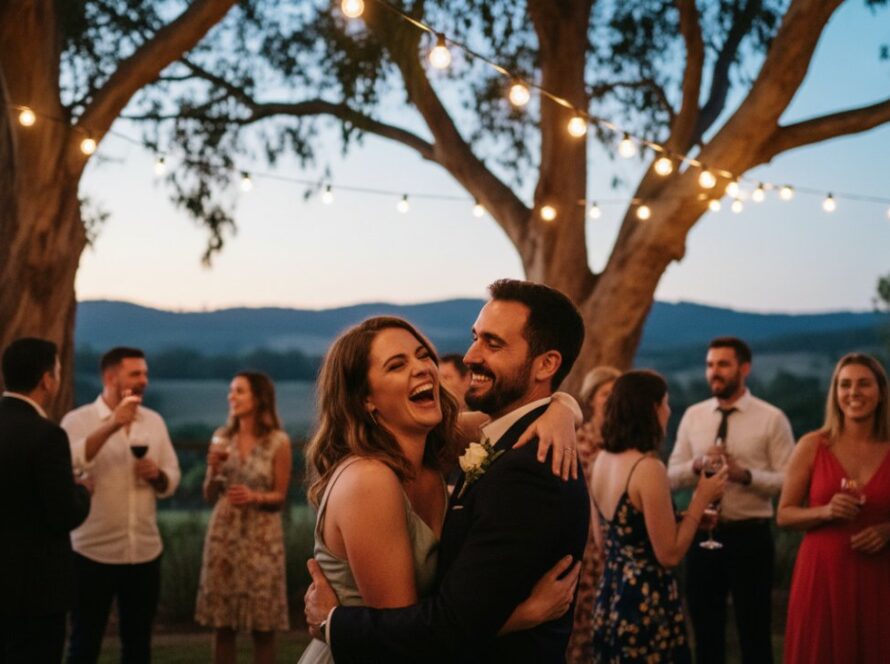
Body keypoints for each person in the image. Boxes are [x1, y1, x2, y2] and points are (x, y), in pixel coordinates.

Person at [304, 279, 591, 663]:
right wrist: (519, 617)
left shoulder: (444, 445)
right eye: (397, 365)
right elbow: (406, 638)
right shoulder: (369, 479)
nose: (424, 369)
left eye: (423, 355)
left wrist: (563, 408)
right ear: (366, 400)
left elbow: (526, 412)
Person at [667, 336, 794, 664]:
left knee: (754, 633)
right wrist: (696, 465)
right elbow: (671, 474)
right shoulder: (694, 416)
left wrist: (744, 474)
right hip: (702, 535)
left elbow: (788, 482)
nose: (714, 372)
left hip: (750, 537)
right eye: (710, 365)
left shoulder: (771, 418)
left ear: (744, 368)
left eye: (723, 364)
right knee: (706, 635)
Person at [590, 370, 726, 663]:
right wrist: (701, 497)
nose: (669, 410)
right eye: (665, 402)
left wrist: (684, 517)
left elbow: (607, 540)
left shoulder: (601, 460)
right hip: (646, 603)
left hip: (611, 595)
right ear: (652, 409)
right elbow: (670, 555)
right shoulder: (648, 468)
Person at [62, 347, 181, 664]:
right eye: (135, 374)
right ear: (110, 376)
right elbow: (70, 460)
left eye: (145, 373)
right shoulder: (78, 419)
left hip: (143, 552)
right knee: (84, 644)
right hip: (91, 553)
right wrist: (113, 424)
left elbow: (173, 475)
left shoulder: (153, 421)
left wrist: (158, 476)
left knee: (138, 646)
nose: (144, 380)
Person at [778, 353, 890, 663]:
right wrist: (824, 511)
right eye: (845, 385)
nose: (853, 393)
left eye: (864, 384)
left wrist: (888, 530)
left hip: (881, 576)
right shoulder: (812, 445)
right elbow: (784, 514)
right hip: (823, 578)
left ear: (881, 392)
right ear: (835, 393)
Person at [0, 338, 92, 663]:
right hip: (35, 587)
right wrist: (83, 491)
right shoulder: (47, 435)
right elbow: (63, 514)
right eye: (57, 370)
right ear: (46, 380)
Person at [195, 372, 292, 664]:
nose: (231, 397)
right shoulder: (222, 437)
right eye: (231, 391)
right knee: (223, 626)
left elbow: (280, 496)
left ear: (259, 398)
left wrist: (254, 497)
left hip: (262, 538)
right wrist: (212, 471)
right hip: (224, 536)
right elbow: (209, 494)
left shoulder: (278, 442)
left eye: (239, 391)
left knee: (263, 627)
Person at [567, 365, 620, 664]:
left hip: (617, 537)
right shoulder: (577, 440)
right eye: (605, 394)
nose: (611, 400)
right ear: (592, 399)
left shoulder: (624, 441)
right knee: (583, 617)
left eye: (616, 394)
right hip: (585, 539)